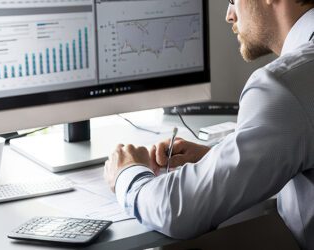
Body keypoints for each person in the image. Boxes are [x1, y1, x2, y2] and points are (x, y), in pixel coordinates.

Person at [103, 0, 314, 249]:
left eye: (232, 0)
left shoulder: (284, 85)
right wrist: (222, 157)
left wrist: (127, 173)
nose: (229, 15)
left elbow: (178, 211)